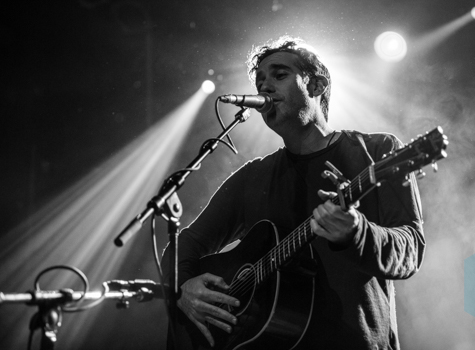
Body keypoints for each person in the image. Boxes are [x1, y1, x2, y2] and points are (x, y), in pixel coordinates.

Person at [164, 36, 425, 350]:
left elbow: (411, 249)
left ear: (316, 86)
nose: (265, 86)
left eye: (279, 75)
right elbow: (185, 244)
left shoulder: (377, 151)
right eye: (260, 81)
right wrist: (183, 288)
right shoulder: (252, 177)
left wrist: (358, 233)